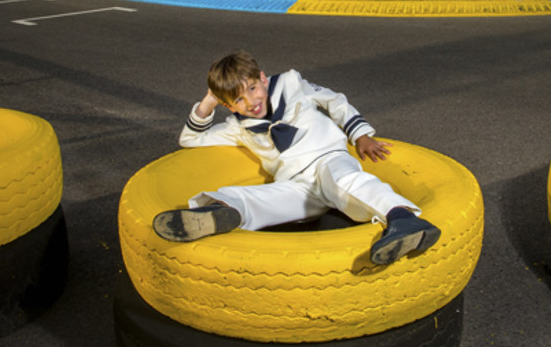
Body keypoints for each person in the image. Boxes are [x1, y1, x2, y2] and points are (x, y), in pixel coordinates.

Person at [152, 50, 440, 265]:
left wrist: (360, 134)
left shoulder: (291, 83)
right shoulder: (236, 127)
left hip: (328, 158)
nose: (250, 102)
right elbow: (189, 139)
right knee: (262, 198)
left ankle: (403, 220)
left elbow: (334, 100)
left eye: (252, 88)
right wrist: (209, 101)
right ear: (228, 105)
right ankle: (217, 212)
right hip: (296, 183)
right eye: (237, 100)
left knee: (347, 181)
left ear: (262, 78)